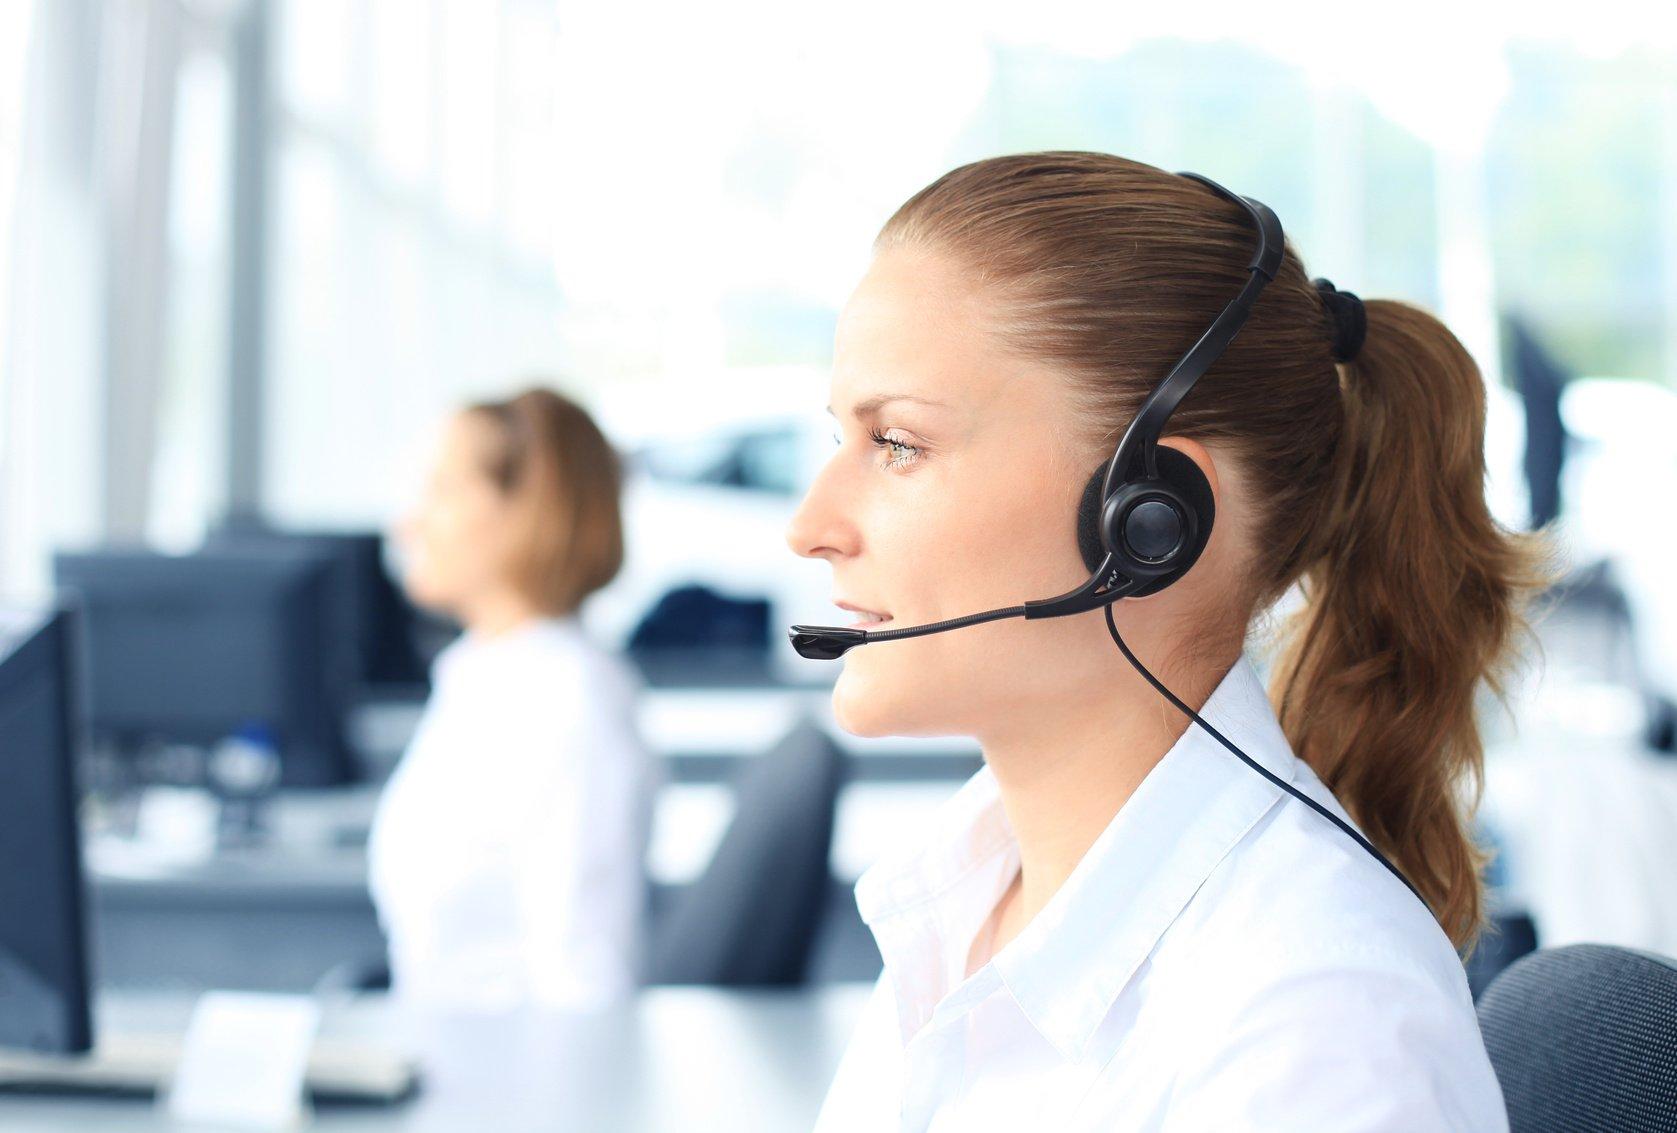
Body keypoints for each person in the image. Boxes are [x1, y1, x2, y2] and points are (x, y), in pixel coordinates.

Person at [788, 152, 1545, 1130]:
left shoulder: (1311, 1028)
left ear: (1149, 520)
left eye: (899, 443)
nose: (810, 523)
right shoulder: (963, 900)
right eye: (840, 439)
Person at [367, 385, 657, 1012]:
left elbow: (587, 981)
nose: (408, 521)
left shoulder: (567, 700)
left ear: (527, 510)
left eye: (442, 489)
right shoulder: (482, 672)